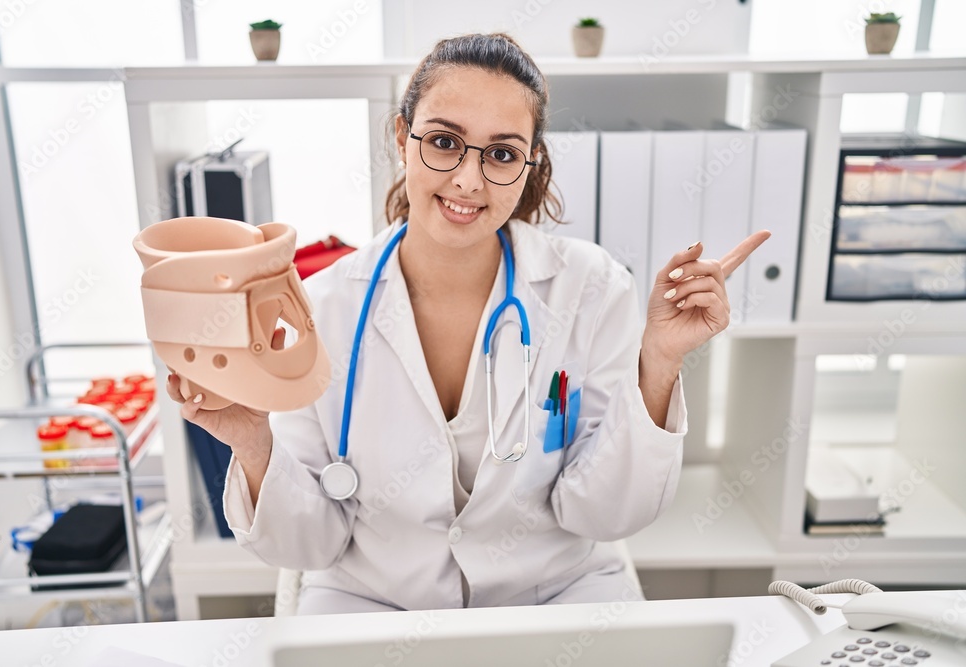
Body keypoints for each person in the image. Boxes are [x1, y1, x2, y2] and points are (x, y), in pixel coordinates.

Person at [167, 33, 768, 614]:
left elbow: (601, 515)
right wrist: (251, 441)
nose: (468, 180)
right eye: (445, 142)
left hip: (555, 599)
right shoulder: (318, 308)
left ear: (530, 164)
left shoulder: (591, 288)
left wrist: (659, 361)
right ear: (402, 136)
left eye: (502, 153)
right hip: (374, 603)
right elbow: (311, 545)